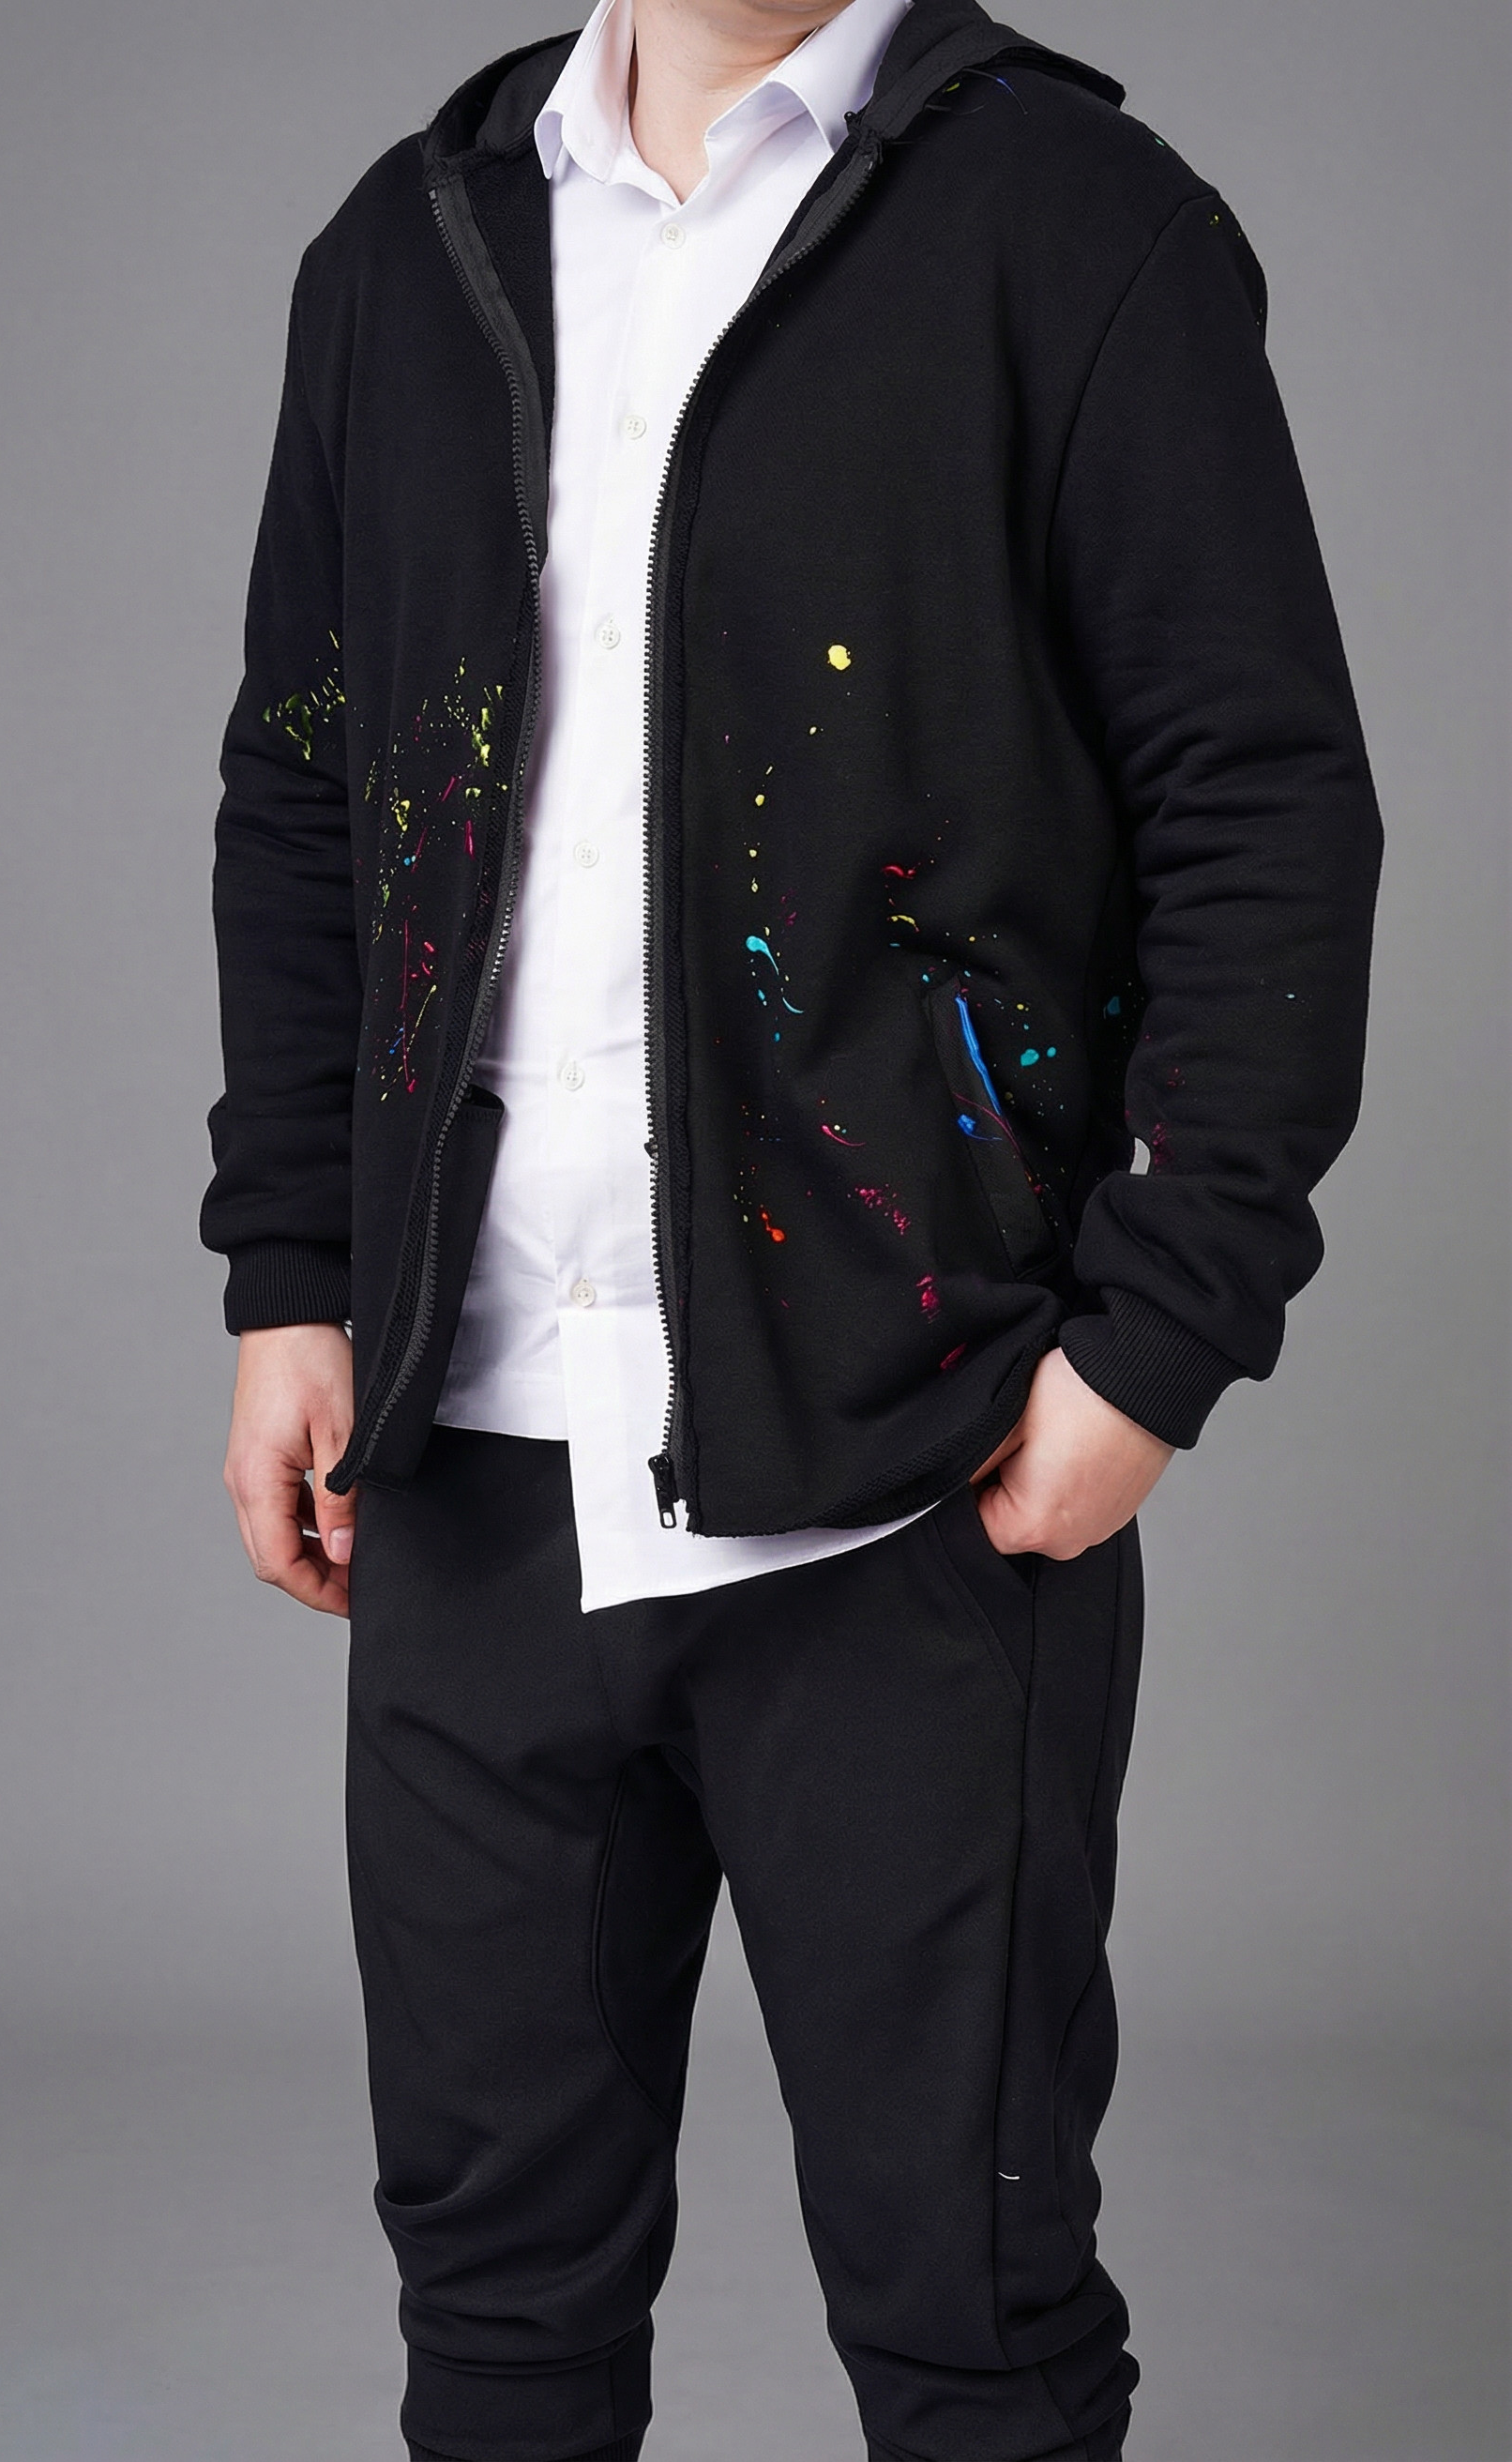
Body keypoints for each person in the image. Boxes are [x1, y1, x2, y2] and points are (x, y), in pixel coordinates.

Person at [201, 0, 1383, 2451]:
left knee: (970, 2313)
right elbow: (304, 784)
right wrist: (295, 1275)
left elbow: (1263, 798)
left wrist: (1159, 1335)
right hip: (468, 1459)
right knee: (497, 2317)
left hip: (914, 1466)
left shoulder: (1079, 229)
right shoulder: (410, 250)